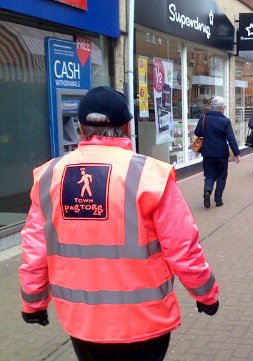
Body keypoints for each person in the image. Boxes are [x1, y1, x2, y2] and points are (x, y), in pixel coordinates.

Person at [18, 86, 220, 361]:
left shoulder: (50, 176)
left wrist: (33, 302)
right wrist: (205, 294)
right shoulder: (150, 175)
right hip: (145, 322)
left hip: (83, 322)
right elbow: (182, 246)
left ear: (81, 127)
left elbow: (35, 250)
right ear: (127, 127)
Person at [194, 96, 241, 208]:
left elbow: (197, 132)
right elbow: (231, 139)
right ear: (220, 108)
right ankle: (218, 200)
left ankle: (207, 191)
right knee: (221, 176)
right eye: (224, 107)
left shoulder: (204, 117)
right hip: (221, 154)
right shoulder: (225, 121)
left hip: (207, 152)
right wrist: (236, 153)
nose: (224, 109)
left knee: (209, 175)